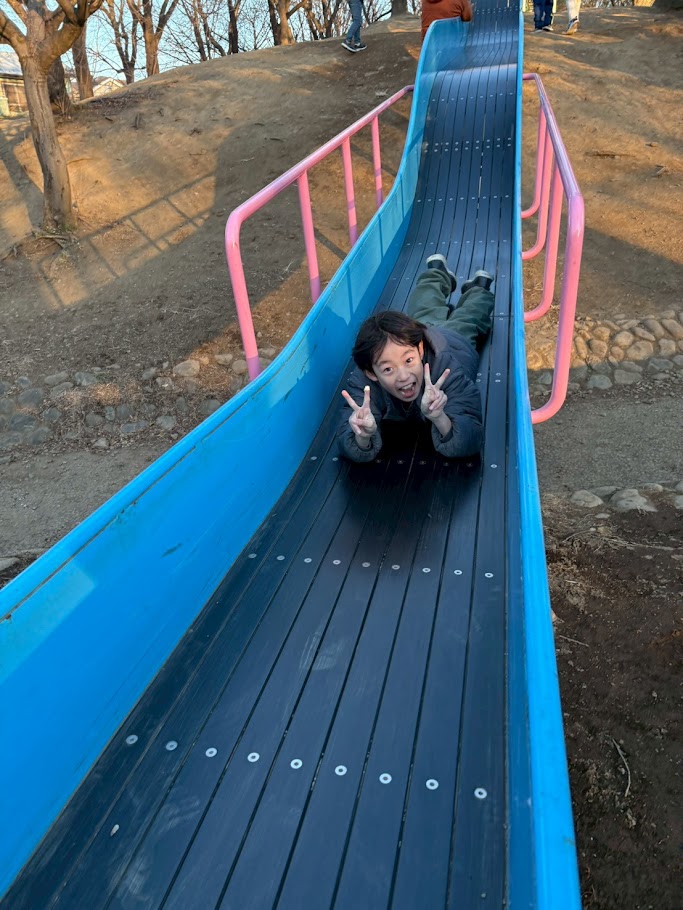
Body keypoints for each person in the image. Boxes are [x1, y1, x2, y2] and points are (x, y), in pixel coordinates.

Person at [338, 256, 495, 463]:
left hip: (455, 341)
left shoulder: (446, 368)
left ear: (419, 350)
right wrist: (362, 436)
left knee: (467, 317)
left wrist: (440, 417)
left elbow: (472, 438)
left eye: (408, 361)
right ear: (371, 372)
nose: (403, 376)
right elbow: (346, 438)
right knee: (424, 308)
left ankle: (476, 288)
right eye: (388, 369)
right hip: (420, 333)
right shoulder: (363, 384)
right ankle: (441, 274)